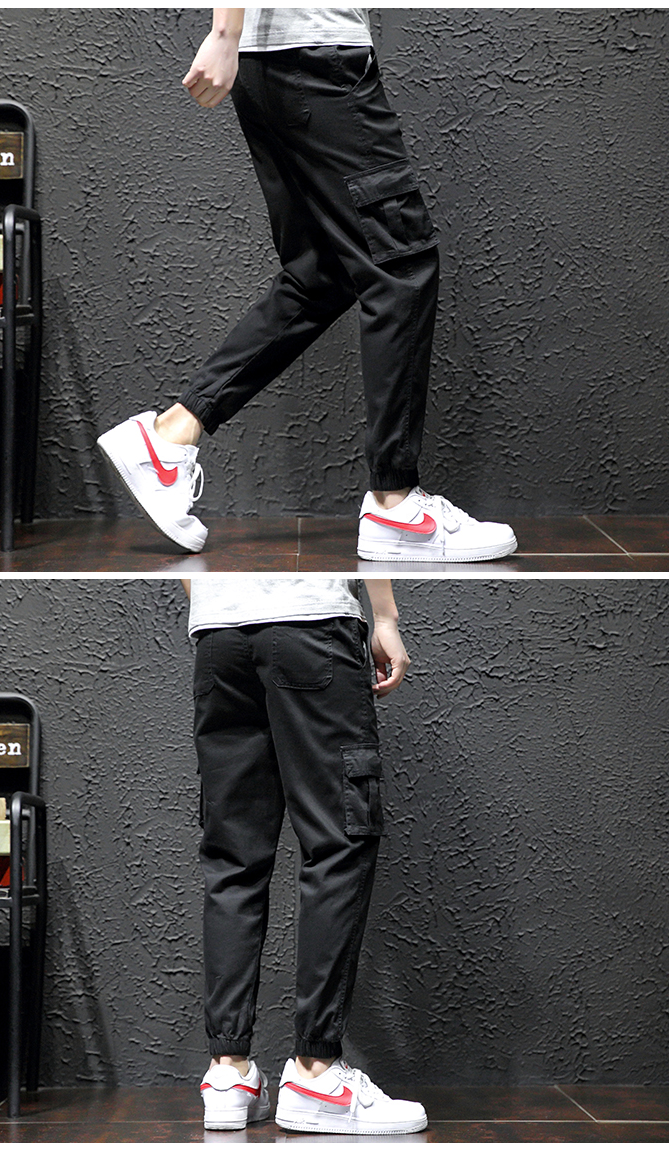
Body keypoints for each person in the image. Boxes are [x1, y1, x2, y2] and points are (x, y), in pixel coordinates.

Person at [99, 9, 517, 563]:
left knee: (322, 274)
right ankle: (396, 506)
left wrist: (234, 36)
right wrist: (224, 32)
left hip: (275, 64)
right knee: (401, 264)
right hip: (316, 55)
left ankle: (169, 436)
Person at [184, 576, 428, 1134]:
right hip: (310, 625)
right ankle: (316, 1073)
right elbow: (364, 540)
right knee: (339, 839)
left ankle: (228, 1074)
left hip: (218, 636)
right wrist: (384, 617)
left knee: (233, 857)